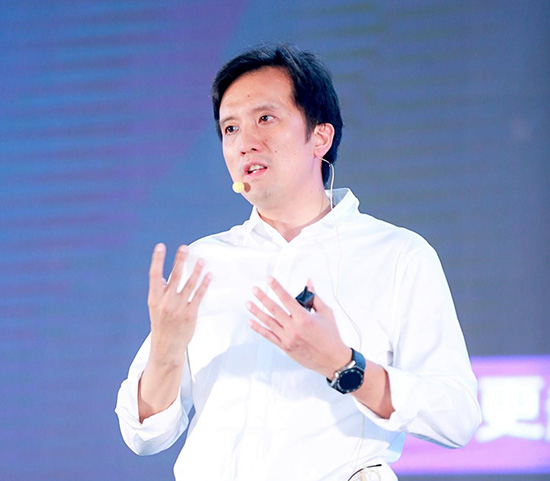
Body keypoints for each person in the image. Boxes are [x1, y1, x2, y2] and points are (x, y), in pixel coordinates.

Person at [115, 44, 481, 481]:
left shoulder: (398, 254)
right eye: (230, 128)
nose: (245, 143)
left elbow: (456, 416)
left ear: (320, 137)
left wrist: (342, 364)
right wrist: (166, 348)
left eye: (265, 119)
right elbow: (144, 435)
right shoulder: (203, 261)